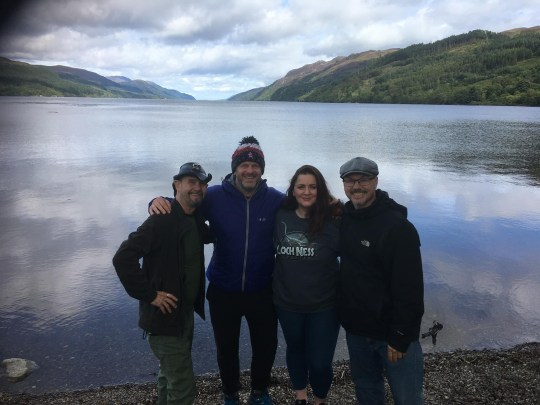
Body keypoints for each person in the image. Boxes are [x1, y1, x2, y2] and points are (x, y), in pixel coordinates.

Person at [149, 137, 284, 405]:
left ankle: (259, 392)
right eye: (243, 165)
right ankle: (230, 394)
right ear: (235, 167)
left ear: (262, 169)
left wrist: (334, 208)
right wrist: (157, 200)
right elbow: (183, 201)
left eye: (254, 165)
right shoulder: (215, 196)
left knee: (266, 347)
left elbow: (307, 207)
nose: (249, 170)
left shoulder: (276, 200)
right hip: (223, 289)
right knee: (226, 348)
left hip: (263, 289)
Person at [113, 162, 212, 405]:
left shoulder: (193, 218)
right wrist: (150, 295)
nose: (197, 187)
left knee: (168, 376)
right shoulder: (161, 219)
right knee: (183, 388)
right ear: (176, 185)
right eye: (191, 182)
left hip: (182, 314)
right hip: (164, 319)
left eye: (201, 183)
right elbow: (123, 258)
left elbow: (213, 235)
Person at [337, 156, 425, 405]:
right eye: (350, 181)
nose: (356, 186)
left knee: (407, 397)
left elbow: (410, 289)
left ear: (375, 181)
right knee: (367, 392)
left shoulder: (398, 229)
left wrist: (400, 334)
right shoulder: (345, 219)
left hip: (392, 335)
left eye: (363, 180)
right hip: (357, 331)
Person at [273, 165, 341, 405]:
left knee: (321, 362)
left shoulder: (334, 219)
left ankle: (319, 399)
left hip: (325, 306)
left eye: (313, 187)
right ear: (292, 190)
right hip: (287, 303)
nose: (307, 192)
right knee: (296, 349)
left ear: (320, 190)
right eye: (301, 186)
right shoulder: (279, 214)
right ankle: (300, 395)